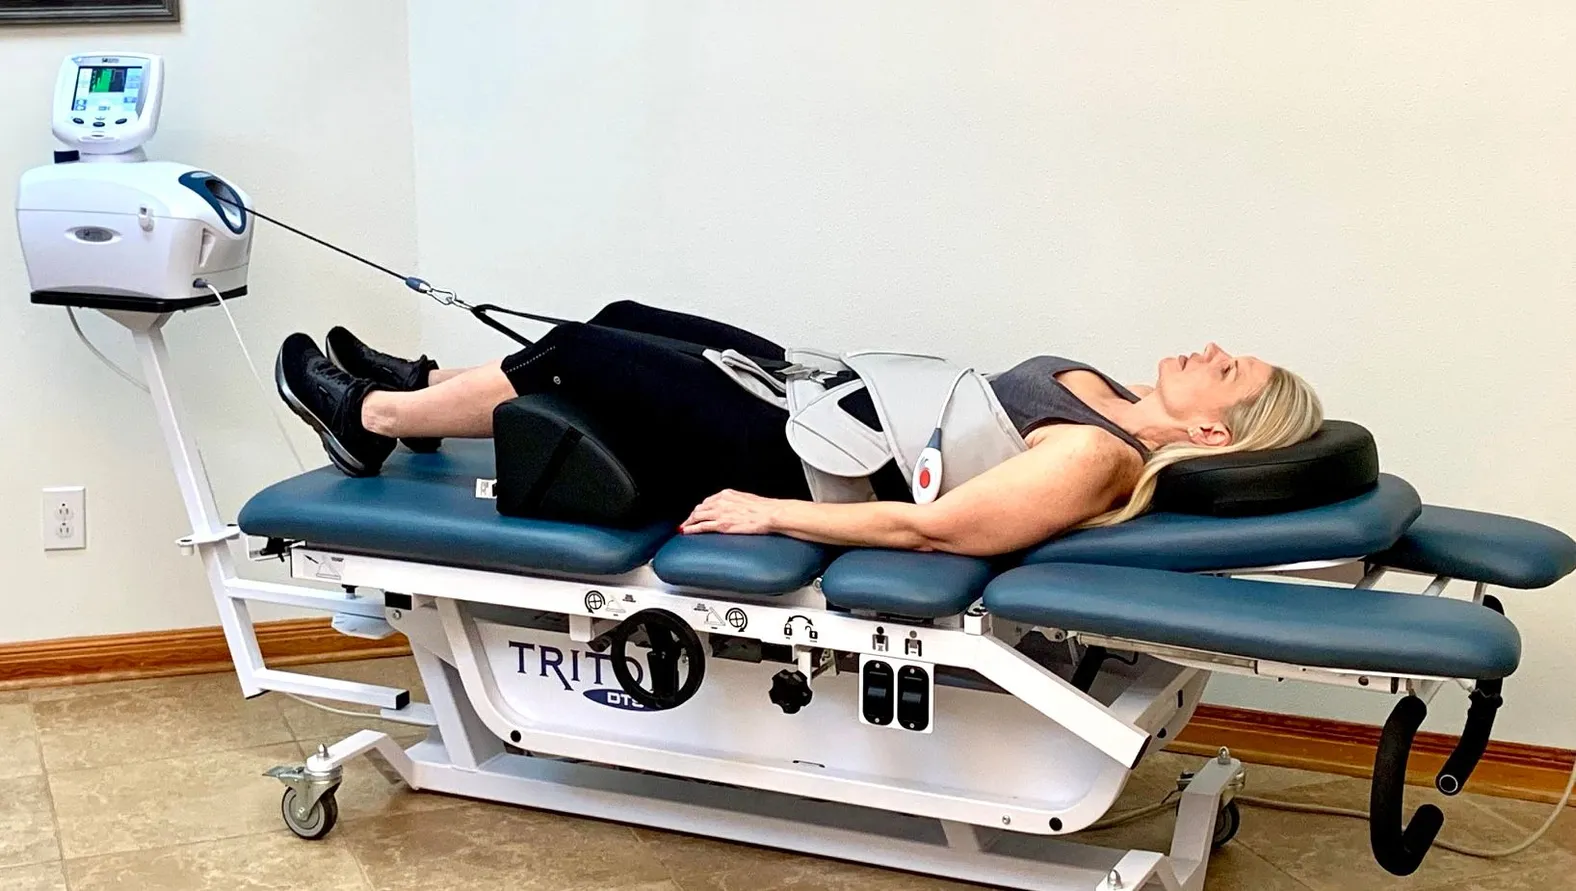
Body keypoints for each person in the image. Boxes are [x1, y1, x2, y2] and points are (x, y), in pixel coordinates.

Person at [275, 300, 1322, 556]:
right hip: (812, 397)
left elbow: (935, 529)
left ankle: (370, 415)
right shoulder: (1112, 394)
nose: (1210, 347)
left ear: (1213, 437)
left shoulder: (1095, 456)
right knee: (623, 317)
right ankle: (424, 390)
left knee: (584, 355)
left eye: (1227, 371)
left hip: (799, 460)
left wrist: (772, 514)